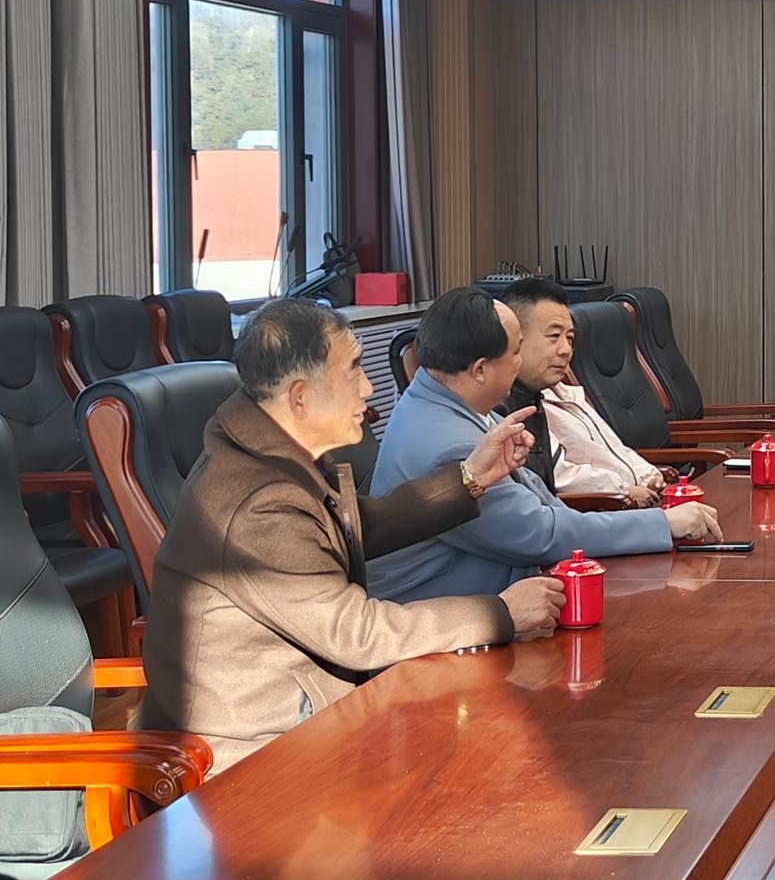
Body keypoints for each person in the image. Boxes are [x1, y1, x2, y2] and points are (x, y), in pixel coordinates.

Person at [137, 299, 564, 771]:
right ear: (300, 398)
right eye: (354, 370)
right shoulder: (257, 502)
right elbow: (354, 633)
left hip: (312, 715)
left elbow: (351, 527)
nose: (368, 387)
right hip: (254, 753)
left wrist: (470, 478)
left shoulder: (267, 448)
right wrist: (500, 613)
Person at [367, 287, 721, 603]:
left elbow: (541, 501)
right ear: (479, 370)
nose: (520, 363)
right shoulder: (448, 444)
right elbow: (538, 533)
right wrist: (660, 524)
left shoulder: (448, 402)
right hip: (451, 616)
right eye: (515, 352)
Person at [501, 276, 664, 506]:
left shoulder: (561, 393)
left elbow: (614, 448)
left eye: (570, 339)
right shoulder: (504, 408)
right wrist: (623, 491)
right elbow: (560, 479)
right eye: (554, 336)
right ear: (514, 339)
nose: (566, 350)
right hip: (602, 510)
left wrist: (648, 476)